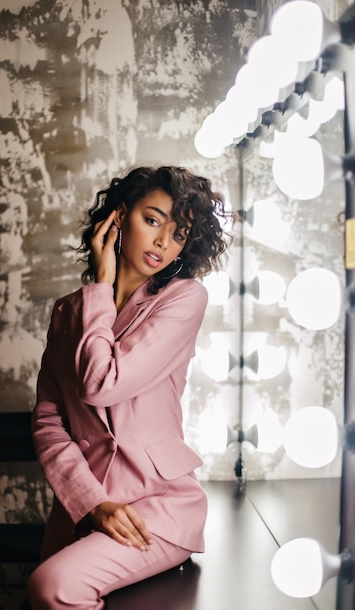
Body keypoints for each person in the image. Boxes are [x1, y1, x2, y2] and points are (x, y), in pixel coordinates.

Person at [27, 165, 232, 609]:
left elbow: (103, 384)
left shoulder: (183, 299)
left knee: (54, 587)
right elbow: (48, 420)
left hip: (158, 508)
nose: (163, 242)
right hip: (84, 507)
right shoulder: (67, 312)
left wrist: (102, 287)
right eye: (153, 219)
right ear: (119, 218)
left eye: (179, 234)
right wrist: (91, 501)